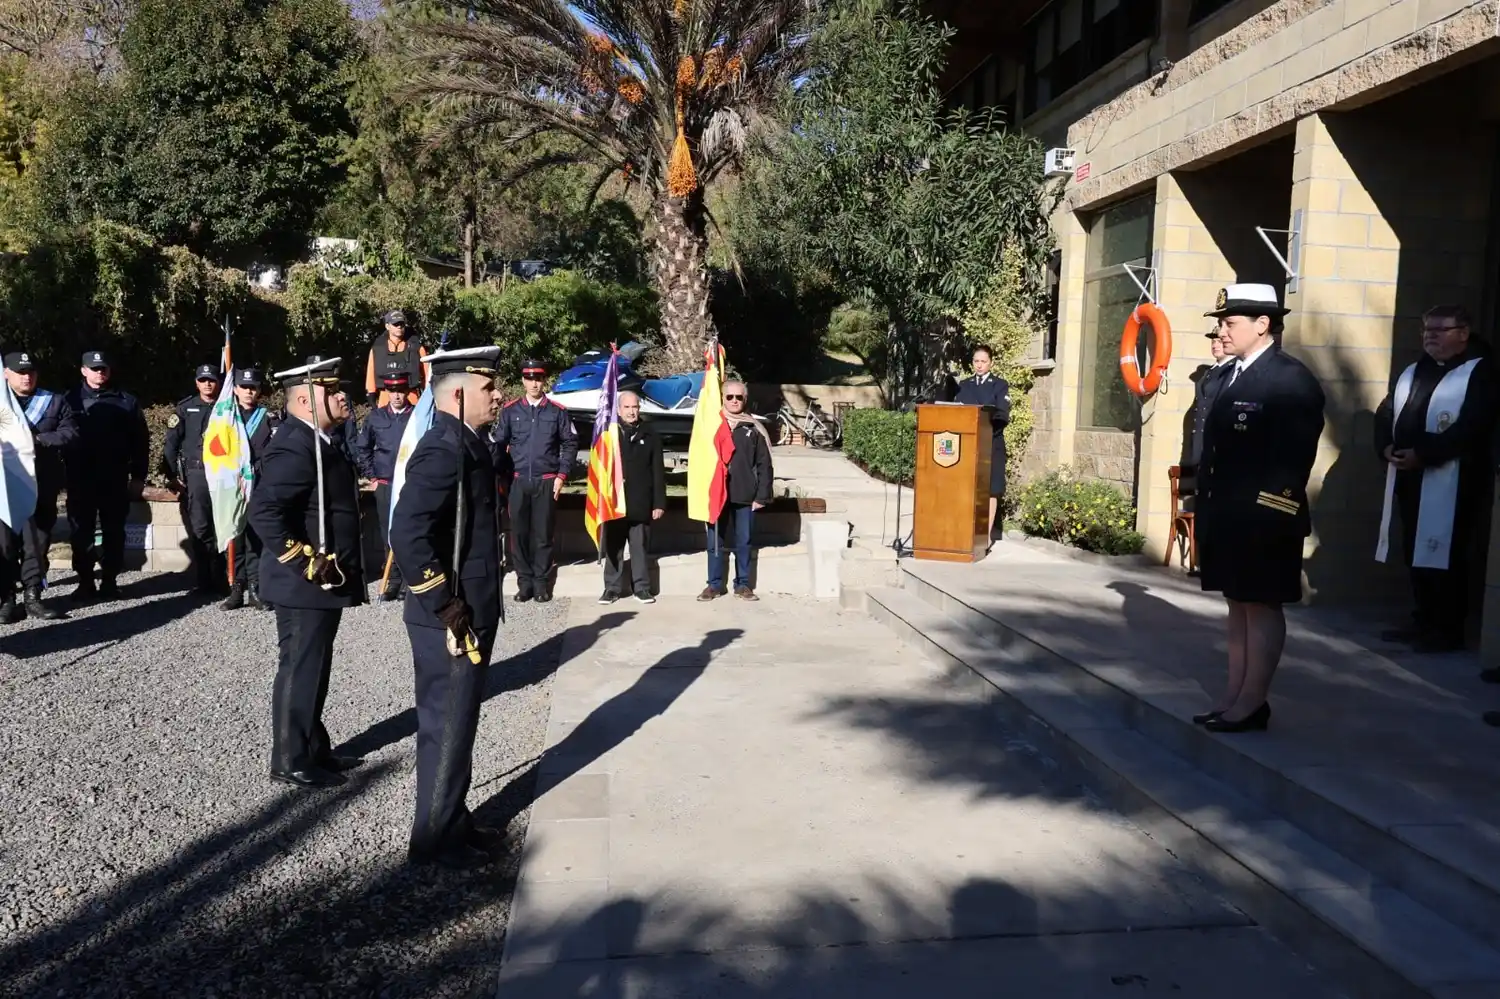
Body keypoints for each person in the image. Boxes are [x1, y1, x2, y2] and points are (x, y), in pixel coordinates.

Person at [389, 345, 505, 869]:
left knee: (460, 722)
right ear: (457, 394)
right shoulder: (443, 448)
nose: (499, 394)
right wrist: (443, 602)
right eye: (489, 388)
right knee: (446, 722)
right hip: (451, 615)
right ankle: (434, 840)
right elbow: (407, 534)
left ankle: (451, 817)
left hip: (468, 608)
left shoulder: (469, 442)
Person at [1193, 284, 1325, 733]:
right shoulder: (1230, 375)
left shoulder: (1288, 378)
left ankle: (1252, 703)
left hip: (1264, 518)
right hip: (1229, 514)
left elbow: (1293, 459)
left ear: (1262, 324)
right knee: (1237, 604)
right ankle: (1235, 695)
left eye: (1230, 323)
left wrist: (1268, 514)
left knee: (1261, 605)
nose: (1222, 331)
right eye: (1222, 323)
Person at [247, 356, 365, 789]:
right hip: (304, 582)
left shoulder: (320, 440)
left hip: (321, 581)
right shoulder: (294, 443)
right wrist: (303, 560)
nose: (341, 396)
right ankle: (290, 758)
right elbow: (265, 511)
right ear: (302, 399)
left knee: (316, 665)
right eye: (330, 390)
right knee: (300, 666)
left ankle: (314, 746)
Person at [1369, 305, 1496, 654]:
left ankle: (1447, 627)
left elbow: (1473, 426)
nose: (1431, 336)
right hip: (1411, 478)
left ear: (1464, 333)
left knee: (1448, 553)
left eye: (1440, 330)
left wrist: (1424, 454)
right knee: (1415, 549)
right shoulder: (1414, 370)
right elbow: (1386, 412)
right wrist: (1387, 447)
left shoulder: (1479, 372)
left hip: (1455, 481)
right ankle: (1423, 618)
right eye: (1427, 330)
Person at [66, 350, 149, 603]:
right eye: (94, 368)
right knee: (81, 531)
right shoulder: (69, 400)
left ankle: (110, 581)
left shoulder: (126, 401)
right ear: (83, 370)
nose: (99, 372)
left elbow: (140, 442)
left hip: (114, 477)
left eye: (103, 368)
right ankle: (85, 581)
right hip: (80, 477)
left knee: (114, 531)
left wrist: (138, 477)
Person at [0, 351, 77, 622]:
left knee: (36, 542)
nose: (26, 376)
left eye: (31, 371)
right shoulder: (1, 403)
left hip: (39, 483)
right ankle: (6, 599)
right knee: (4, 545)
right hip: (4, 486)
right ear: (5, 374)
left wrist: (38, 439)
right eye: (20, 372)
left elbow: (70, 432)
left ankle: (33, 597)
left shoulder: (53, 402)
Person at [492, 358, 577, 603]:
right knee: (518, 534)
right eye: (529, 378)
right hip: (518, 482)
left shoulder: (557, 411)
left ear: (544, 380)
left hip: (546, 481)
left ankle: (541, 583)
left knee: (542, 535)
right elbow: (498, 444)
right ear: (523, 380)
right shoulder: (510, 411)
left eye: (538, 378)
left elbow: (570, 444)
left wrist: (561, 476)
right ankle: (524, 583)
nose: (534, 383)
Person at [698, 380, 774, 602]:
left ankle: (743, 585)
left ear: (745, 400)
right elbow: (699, 461)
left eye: (738, 397)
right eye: (729, 396)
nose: (733, 401)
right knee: (714, 542)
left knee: (744, 542)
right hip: (716, 495)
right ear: (722, 398)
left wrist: (762, 496)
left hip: (745, 496)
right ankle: (713, 585)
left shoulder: (754, 428)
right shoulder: (711, 425)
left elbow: (764, 465)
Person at [162, 363, 225, 595]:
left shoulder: (227, 406)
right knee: (200, 527)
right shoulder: (185, 409)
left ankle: (222, 579)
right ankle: (204, 580)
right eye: (203, 380)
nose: (207, 384)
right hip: (197, 474)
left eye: (211, 380)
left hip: (223, 474)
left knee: (223, 525)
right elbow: (171, 446)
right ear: (196, 382)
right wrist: (171, 477)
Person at [599, 390, 665, 605]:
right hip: (615, 503)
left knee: (639, 548)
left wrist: (658, 503)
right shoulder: (609, 435)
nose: (631, 411)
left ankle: (642, 588)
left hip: (640, 503)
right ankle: (612, 588)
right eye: (626, 407)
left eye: (634, 407)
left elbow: (658, 472)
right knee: (613, 547)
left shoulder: (651, 435)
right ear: (618, 410)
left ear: (639, 409)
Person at [222, 367, 281, 611]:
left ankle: (257, 589)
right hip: (231, 486)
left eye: (253, 387)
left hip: (258, 485)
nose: (248, 391)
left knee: (256, 540)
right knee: (234, 537)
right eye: (244, 386)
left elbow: (277, 451)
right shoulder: (225, 417)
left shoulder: (269, 418)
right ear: (235, 389)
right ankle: (236, 588)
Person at [356, 371, 416, 601]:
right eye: (392, 391)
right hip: (385, 484)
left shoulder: (417, 417)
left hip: (410, 485)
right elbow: (363, 448)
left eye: (400, 390)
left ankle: (409, 580)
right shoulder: (376, 418)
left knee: (409, 531)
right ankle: (392, 579)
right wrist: (372, 476)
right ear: (386, 392)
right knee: (387, 533)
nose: (397, 395)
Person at [954, 345, 1012, 541]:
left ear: (991, 363)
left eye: (983, 361)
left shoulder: (1000, 385)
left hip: (990, 444)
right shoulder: (964, 385)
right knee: (966, 487)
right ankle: (963, 531)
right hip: (967, 444)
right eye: (976, 361)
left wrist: (986, 430)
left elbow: (1002, 414)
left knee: (990, 489)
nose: (979, 365)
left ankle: (984, 537)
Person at [1179, 330, 1234, 502]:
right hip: (1200, 442)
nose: (1215, 345)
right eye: (1213, 342)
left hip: (1214, 443)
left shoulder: (1231, 371)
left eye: (1219, 341)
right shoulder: (1210, 372)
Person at [364, 309, 427, 408]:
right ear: (387, 326)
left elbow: (427, 376)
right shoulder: (377, 348)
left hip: (411, 398)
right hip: (385, 398)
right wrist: (372, 400)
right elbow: (370, 377)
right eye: (395, 324)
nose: (399, 327)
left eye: (401, 324)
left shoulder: (417, 347)